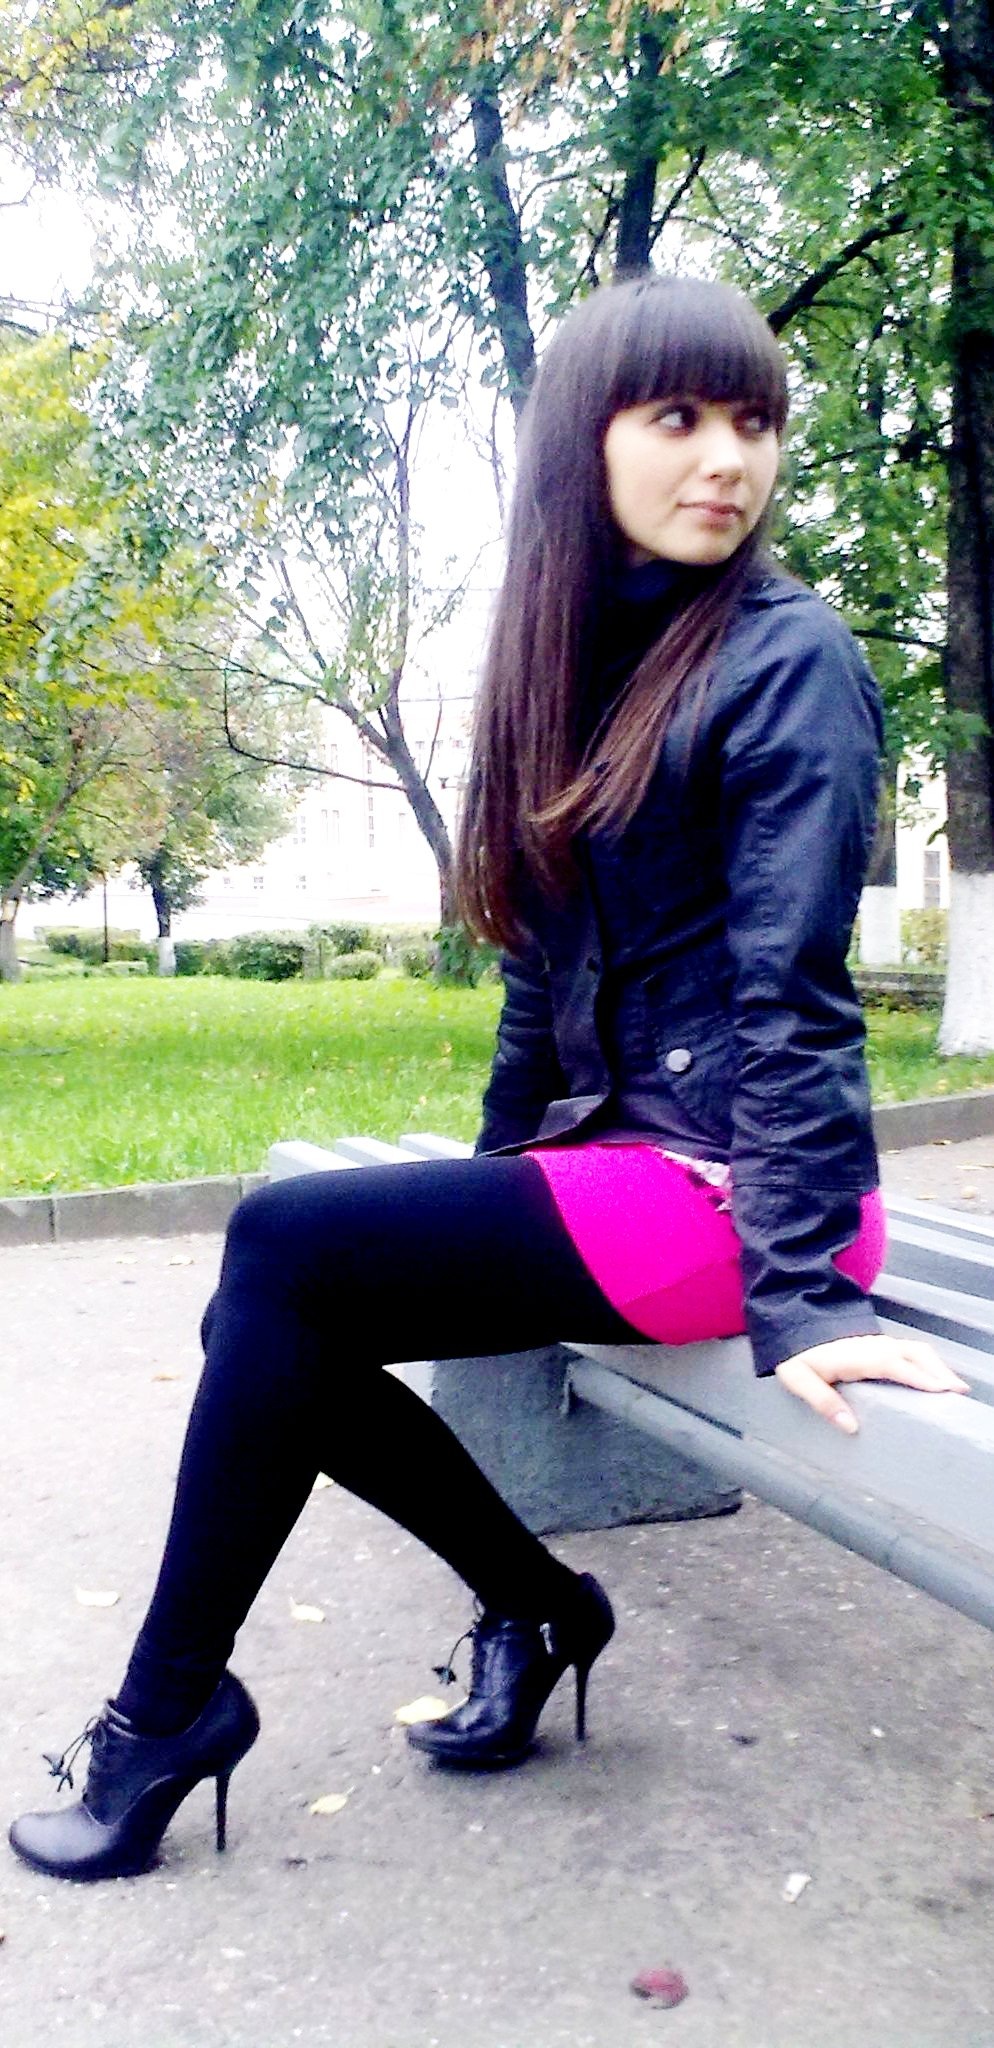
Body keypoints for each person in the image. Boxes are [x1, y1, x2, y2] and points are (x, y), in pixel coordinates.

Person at [10, 273, 969, 1884]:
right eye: (678, 417)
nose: (726, 459)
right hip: (619, 1175)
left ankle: (167, 1713)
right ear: (584, 442)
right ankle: (530, 1604)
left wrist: (804, 1296)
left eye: (752, 421)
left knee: (283, 1252)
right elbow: (539, 969)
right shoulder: (576, 666)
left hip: (744, 1196)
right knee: (280, 1313)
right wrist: (486, 1183)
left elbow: (793, 993)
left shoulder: (786, 657)